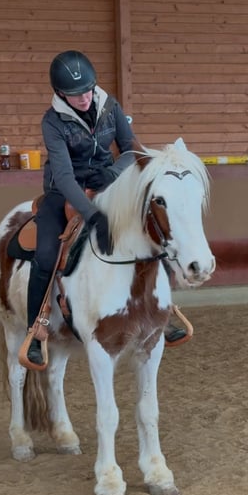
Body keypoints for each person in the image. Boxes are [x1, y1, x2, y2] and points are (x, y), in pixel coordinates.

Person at [26, 50, 186, 366]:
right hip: (64, 190)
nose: (84, 98)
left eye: (88, 90)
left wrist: (112, 174)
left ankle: (163, 312)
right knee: (45, 254)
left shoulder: (110, 105)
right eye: (75, 94)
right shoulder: (52, 122)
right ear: (60, 93)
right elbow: (64, 174)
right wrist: (92, 214)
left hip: (108, 183)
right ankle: (36, 328)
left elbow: (130, 149)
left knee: (152, 233)